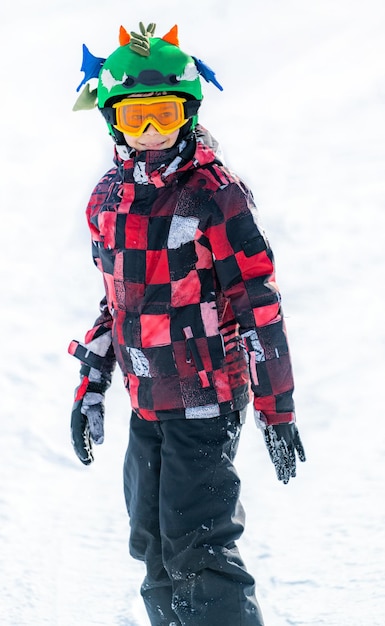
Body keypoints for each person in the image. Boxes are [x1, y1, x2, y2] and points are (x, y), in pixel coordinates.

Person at [69, 22, 306, 626]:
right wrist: (91, 386)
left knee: (199, 550)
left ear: (190, 112)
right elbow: (118, 306)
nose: (152, 135)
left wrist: (276, 409)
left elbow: (260, 305)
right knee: (150, 544)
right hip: (147, 405)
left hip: (207, 402)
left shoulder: (214, 197)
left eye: (166, 116)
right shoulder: (108, 201)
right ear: (112, 120)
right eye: (136, 119)